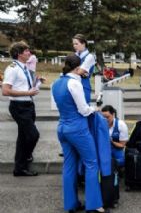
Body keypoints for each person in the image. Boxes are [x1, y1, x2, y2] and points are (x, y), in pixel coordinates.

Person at [52, 55, 108, 213]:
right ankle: (94, 206)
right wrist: (94, 109)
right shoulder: (74, 83)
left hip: (62, 127)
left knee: (68, 166)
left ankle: (71, 204)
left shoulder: (56, 83)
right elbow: (83, 110)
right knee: (91, 163)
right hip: (77, 129)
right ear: (77, 68)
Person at [2, 41, 42, 176]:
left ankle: (19, 168)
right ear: (19, 54)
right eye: (26, 51)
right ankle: (26, 158)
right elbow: (5, 91)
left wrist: (37, 81)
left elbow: (24, 86)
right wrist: (27, 93)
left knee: (23, 137)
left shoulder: (24, 68)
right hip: (19, 106)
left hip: (29, 105)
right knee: (33, 135)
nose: (29, 53)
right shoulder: (12, 69)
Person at [73, 34, 96, 104]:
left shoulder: (89, 57)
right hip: (73, 85)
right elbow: (67, 70)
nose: (74, 46)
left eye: (76, 44)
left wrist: (74, 69)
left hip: (83, 86)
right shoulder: (74, 55)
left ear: (83, 44)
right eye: (73, 44)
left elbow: (79, 72)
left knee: (84, 110)